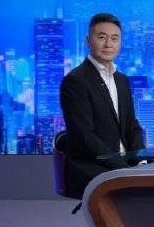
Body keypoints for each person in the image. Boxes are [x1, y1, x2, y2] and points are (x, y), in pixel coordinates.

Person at [59, 12, 145, 198]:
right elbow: (84, 136)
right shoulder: (76, 81)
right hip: (93, 165)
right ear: (88, 41)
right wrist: (123, 167)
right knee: (141, 195)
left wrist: (140, 161)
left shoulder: (122, 80)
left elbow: (132, 125)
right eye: (102, 37)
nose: (108, 44)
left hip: (124, 164)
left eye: (114, 38)